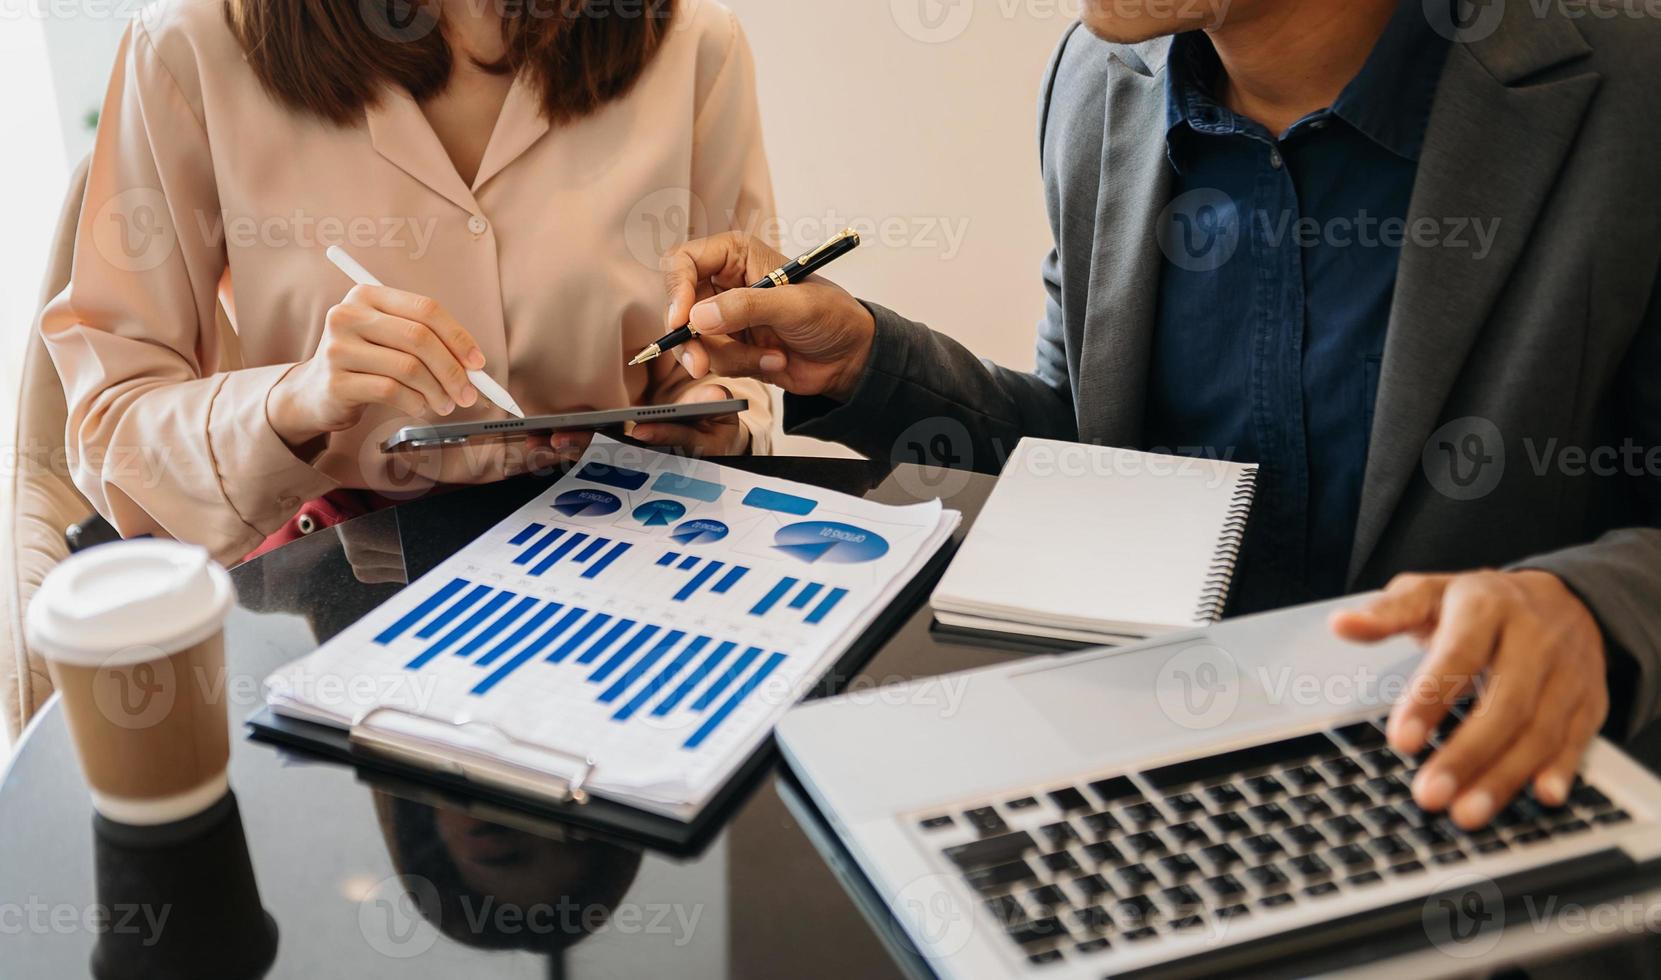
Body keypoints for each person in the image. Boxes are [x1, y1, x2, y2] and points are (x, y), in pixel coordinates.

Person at [659, 0, 1661, 830]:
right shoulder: (1097, 80)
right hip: (1167, 811)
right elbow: (1100, 469)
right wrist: (870, 365)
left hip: (1501, 824)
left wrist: (1585, 611)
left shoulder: (1630, 74)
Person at [41, 0, 776, 564]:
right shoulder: (190, 47)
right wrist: (293, 400)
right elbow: (115, 437)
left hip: (640, 555)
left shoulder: (693, 45)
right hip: (339, 585)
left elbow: (733, 359)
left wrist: (713, 414)